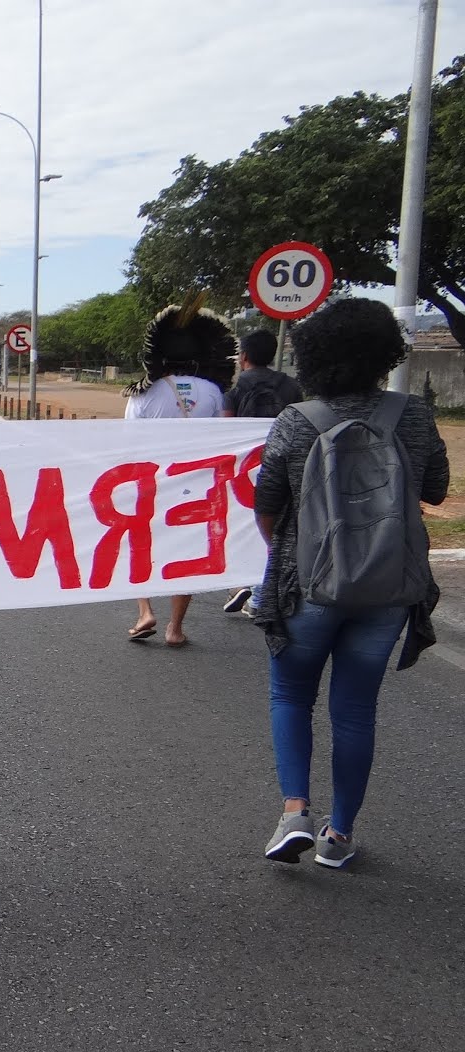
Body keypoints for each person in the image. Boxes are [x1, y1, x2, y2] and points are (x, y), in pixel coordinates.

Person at [255, 298, 449, 870]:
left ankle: (295, 813)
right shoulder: (411, 415)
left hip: (307, 587)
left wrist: (285, 553)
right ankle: (338, 837)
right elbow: (435, 489)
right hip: (388, 587)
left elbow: (267, 504)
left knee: (290, 694)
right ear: (385, 353)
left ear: (314, 355)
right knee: (355, 710)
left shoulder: (297, 421)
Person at [121, 300, 234, 646]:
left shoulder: (143, 394)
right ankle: (175, 628)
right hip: (197, 484)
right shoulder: (213, 391)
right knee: (186, 550)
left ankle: (145, 612)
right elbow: (222, 436)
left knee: (141, 545)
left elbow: (126, 443)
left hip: (151, 483)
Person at [221, 329, 305, 614]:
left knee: (246, 525)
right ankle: (264, 586)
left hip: (246, 472)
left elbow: (227, 434)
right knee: (280, 525)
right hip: (286, 466)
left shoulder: (234, 392)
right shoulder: (292, 387)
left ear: (243, 356)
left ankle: (251, 585)